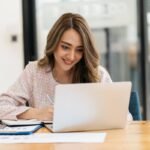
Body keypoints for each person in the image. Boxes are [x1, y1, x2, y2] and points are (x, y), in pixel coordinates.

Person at [0, 13, 132, 121]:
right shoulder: (34, 71)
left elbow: (126, 117)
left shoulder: (97, 74)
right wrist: (37, 113)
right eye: (65, 47)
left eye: (79, 50)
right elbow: (2, 106)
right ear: (54, 43)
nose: (71, 56)